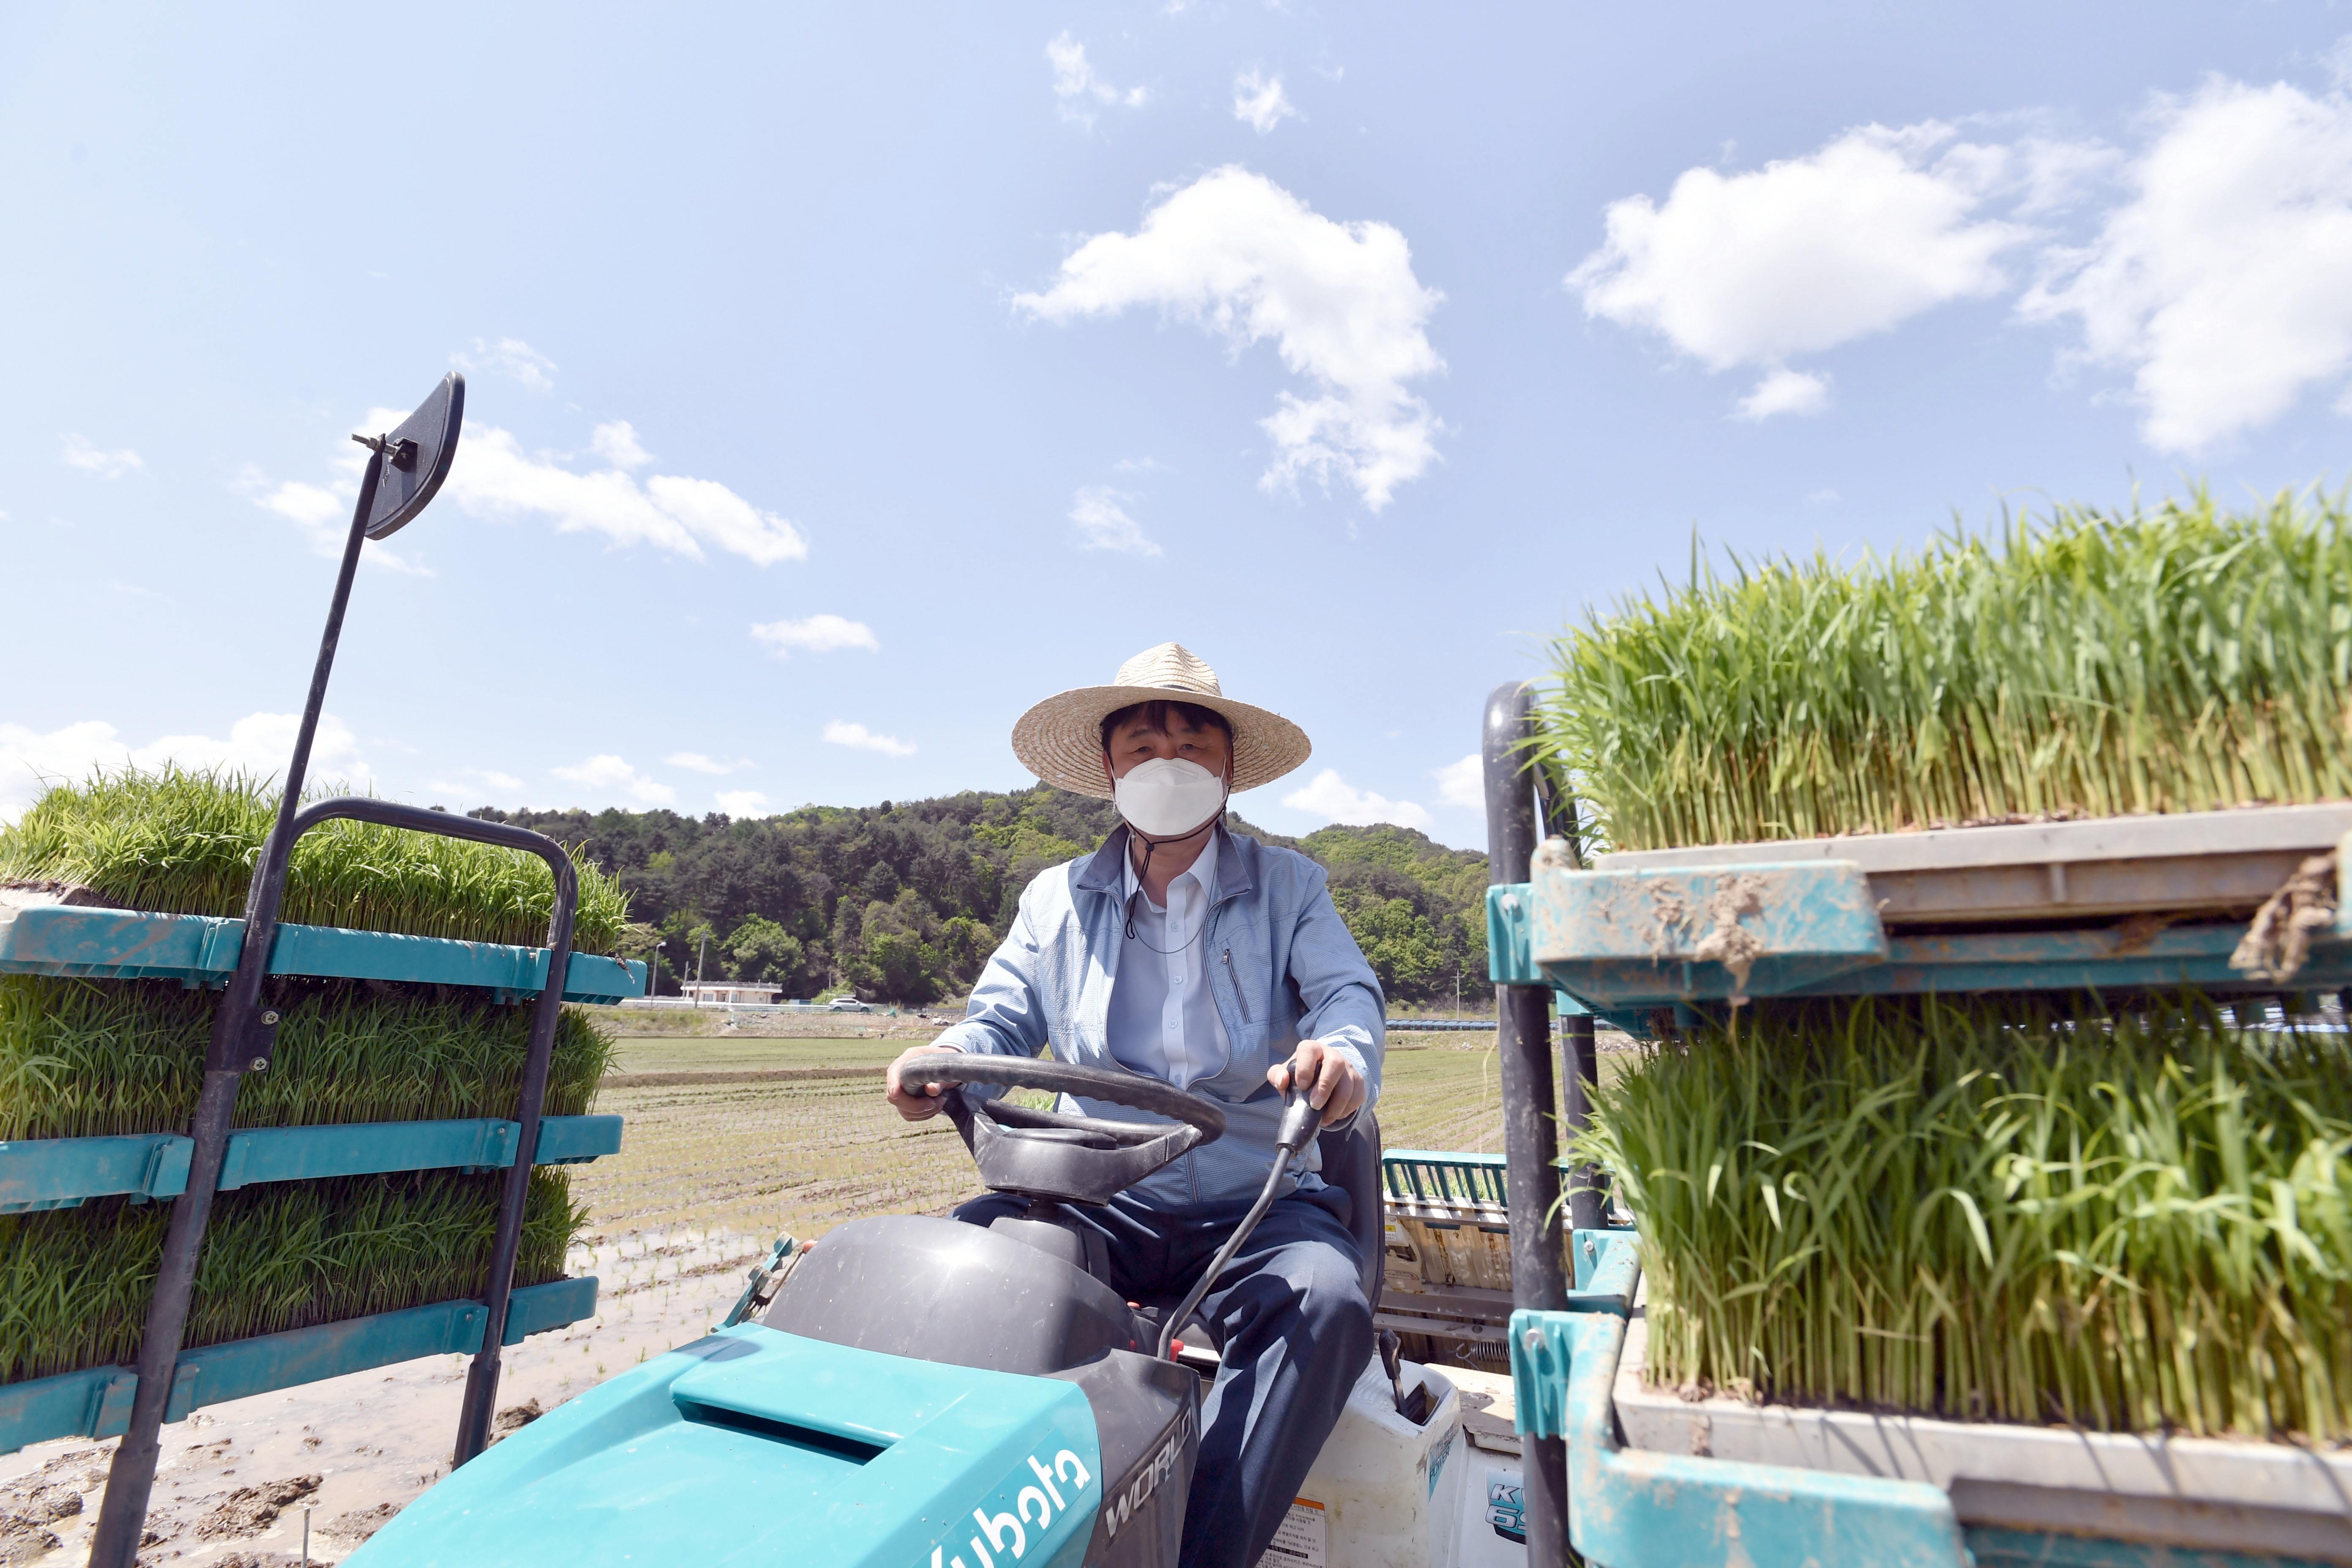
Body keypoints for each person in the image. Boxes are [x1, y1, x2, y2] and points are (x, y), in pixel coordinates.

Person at [883, 641, 1384, 1568]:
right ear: (1110, 767)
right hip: (1102, 1192)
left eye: (1194, 743)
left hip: (1257, 1202)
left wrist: (1342, 1057)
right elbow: (998, 1017)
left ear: (1228, 771)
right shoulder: (1055, 899)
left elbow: (1348, 995)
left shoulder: (1291, 887)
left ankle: (1198, 1551)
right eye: (1146, 743)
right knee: (971, 1267)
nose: (1170, 762)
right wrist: (949, 1057)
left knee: (1326, 1301)